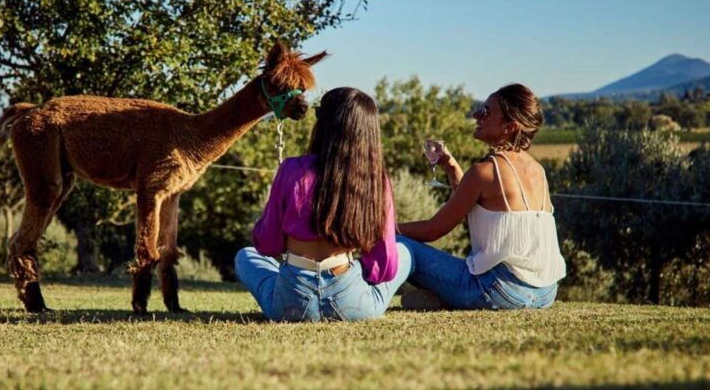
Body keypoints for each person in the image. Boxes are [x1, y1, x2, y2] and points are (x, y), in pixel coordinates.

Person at [234, 87, 412, 321]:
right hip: (351, 301)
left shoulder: (291, 169)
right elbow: (385, 267)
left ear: (323, 124)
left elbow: (268, 245)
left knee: (245, 256)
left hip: (292, 301)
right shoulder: (376, 180)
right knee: (405, 252)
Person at [398, 83, 566, 310]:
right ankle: (444, 298)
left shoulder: (486, 171)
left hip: (501, 292)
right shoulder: (538, 170)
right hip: (546, 292)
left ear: (509, 127)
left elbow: (433, 230)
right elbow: (472, 204)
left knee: (399, 244)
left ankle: (370, 297)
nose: (476, 115)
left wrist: (382, 229)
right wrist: (451, 166)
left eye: (486, 112)